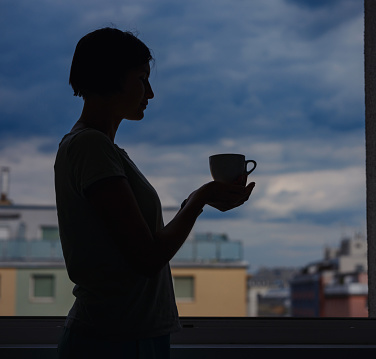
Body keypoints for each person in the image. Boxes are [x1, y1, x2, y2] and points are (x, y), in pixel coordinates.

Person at [55, 27, 255, 359]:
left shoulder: (103, 149)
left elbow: (140, 246)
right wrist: (201, 198)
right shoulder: (91, 147)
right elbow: (147, 257)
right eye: (142, 79)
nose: (150, 93)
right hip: (113, 341)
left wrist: (196, 200)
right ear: (111, 77)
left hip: (124, 335)